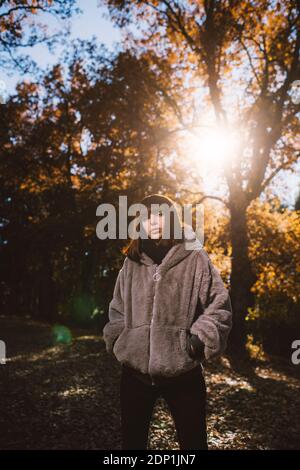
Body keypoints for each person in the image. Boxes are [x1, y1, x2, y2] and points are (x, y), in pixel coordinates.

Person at [103, 194, 233, 450]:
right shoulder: (131, 262)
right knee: (132, 445)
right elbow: (117, 308)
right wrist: (120, 338)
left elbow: (219, 305)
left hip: (182, 373)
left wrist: (198, 341)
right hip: (134, 374)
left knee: (193, 443)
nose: (152, 221)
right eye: (146, 216)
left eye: (159, 214)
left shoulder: (194, 256)